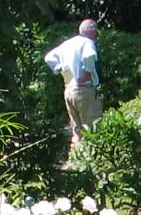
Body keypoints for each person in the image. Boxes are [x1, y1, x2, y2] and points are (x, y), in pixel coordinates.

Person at [44, 19, 102, 151]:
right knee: (93, 127)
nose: (96, 37)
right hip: (84, 90)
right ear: (93, 31)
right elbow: (90, 56)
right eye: (96, 34)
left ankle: (77, 161)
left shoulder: (67, 44)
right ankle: (94, 162)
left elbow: (49, 57)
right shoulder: (88, 42)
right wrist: (86, 74)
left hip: (69, 90)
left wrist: (60, 69)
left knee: (77, 130)